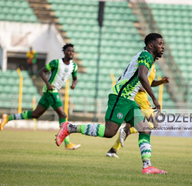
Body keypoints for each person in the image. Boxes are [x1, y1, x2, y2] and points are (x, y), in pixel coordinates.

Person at [55, 33, 168, 174]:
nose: (162, 47)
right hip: (121, 97)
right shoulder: (146, 56)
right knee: (109, 132)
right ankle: (70, 128)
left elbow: (125, 76)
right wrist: (154, 98)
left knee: (145, 129)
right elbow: (141, 75)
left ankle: (147, 166)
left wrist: (132, 97)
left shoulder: (144, 56)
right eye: (160, 44)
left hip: (127, 98)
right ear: (151, 45)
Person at [0, 43, 81, 150]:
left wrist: (74, 84)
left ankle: (8, 118)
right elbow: (41, 71)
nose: (71, 53)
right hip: (51, 91)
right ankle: (67, 143)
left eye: (72, 51)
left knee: (35, 114)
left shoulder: (74, 66)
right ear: (64, 52)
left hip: (53, 91)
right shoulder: (56, 63)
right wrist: (48, 84)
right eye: (69, 51)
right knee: (63, 114)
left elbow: (75, 78)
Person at [106, 61, 170, 158]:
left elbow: (148, 82)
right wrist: (138, 86)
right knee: (154, 123)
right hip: (139, 97)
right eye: (160, 45)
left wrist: (161, 81)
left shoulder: (152, 66)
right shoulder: (144, 63)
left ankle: (113, 150)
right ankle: (127, 131)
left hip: (142, 96)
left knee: (132, 123)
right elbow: (128, 78)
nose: (162, 49)